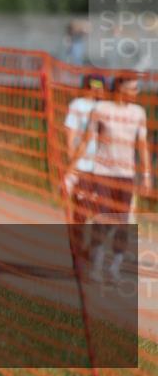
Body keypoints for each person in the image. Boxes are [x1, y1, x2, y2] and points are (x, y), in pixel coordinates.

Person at [71, 73, 151, 282]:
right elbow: (87, 140)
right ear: (120, 89)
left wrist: (147, 174)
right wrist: (72, 169)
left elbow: (142, 145)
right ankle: (96, 265)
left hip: (126, 175)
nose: (137, 93)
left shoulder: (138, 113)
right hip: (103, 173)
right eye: (133, 89)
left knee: (123, 223)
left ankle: (114, 267)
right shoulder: (101, 110)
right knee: (102, 220)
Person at [63, 72, 106, 254]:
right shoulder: (77, 105)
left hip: (102, 167)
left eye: (99, 88)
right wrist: (72, 163)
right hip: (81, 165)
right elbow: (70, 134)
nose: (95, 91)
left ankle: (91, 248)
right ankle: (78, 247)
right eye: (92, 87)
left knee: (100, 210)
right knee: (80, 210)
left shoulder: (105, 108)